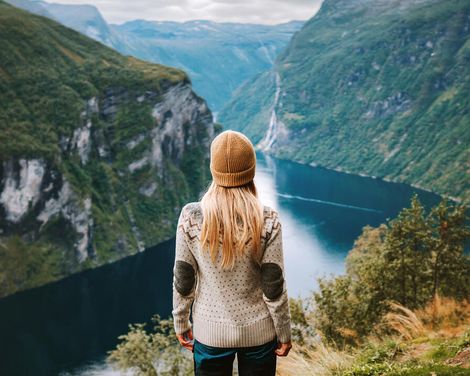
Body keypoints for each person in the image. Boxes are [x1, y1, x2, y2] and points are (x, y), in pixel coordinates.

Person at [172, 130, 292, 375]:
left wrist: (181, 322)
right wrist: (284, 331)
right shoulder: (267, 219)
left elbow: (184, 279)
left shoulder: (191, 217)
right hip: (259, 334)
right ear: (252, 169)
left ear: (213, 168)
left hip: (210, 334)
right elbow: (273, 286)